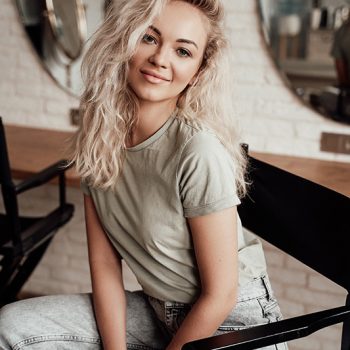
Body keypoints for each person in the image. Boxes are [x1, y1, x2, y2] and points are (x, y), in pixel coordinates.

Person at [0, 1, 287, 349]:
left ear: (198, 70)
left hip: (230, 324)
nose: (161, 59)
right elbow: (105, 267)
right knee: (10, 327)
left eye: (183, 51)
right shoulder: (99, 138)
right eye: (149, 38)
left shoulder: (197, 150)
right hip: (156, 309)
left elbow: (221, 294)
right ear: (125, 41)